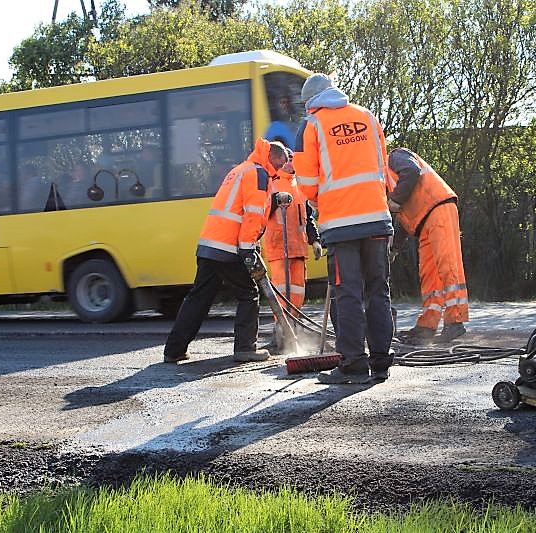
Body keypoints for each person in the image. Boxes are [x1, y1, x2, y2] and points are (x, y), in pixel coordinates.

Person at [293, 73, 394, 384]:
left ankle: (353, 364)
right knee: (378, 291)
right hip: (377, 217)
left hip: (341, 224)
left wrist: (321, 202)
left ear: (310, 103)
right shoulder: (367, 116)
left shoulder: (311, 125)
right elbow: (382, 164)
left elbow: (306, 182)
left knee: (347, 293)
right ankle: (380, 363)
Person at [163, 138, 289, 364]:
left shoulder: (241, 170)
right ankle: (245, 348)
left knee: (198, 298)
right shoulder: (259, 174)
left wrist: (273, 199)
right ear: (271, 157)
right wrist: (249, 248)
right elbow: (252, 213)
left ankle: (174, 350)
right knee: (249, 294)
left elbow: (239, 203)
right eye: (280, 164)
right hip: (230, 246)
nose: (280, 169)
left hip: (210, 243)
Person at [387, 147, 468, 343]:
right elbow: (403, 217)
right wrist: (395, 248)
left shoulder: (395, 157)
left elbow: (412, 172)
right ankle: (427, 326)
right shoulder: (384, 179)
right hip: (423, 222)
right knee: (429, 276)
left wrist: (395, 199)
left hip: (439, 209)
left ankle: (455, 322)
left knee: (448, 265)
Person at [263, 148, 322, 349]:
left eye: (293, 160)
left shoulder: (301, 186)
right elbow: (261, 209)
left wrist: (314, 241)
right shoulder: (271, 182)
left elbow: (308, 217)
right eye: (288, 160)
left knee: (297, 293)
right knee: (281, 292)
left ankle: (293, 329)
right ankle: (280, 332)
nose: (291, 163)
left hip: (297, 248)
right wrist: (274, 201)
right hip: (279, 246)